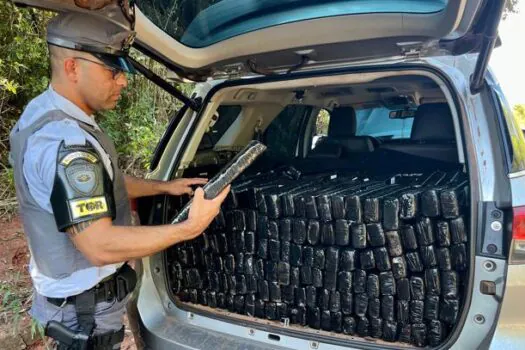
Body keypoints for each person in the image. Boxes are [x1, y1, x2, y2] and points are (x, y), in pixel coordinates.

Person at [8, 10, 230, 350]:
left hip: (80, 304)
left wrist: (163, 187)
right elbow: (99, 245)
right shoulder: (65, 143)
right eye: (112, 70)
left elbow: (101, 182)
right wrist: (189, 228)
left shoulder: (43, 115)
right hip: (85, 314)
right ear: (72, 68)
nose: (123, 81)